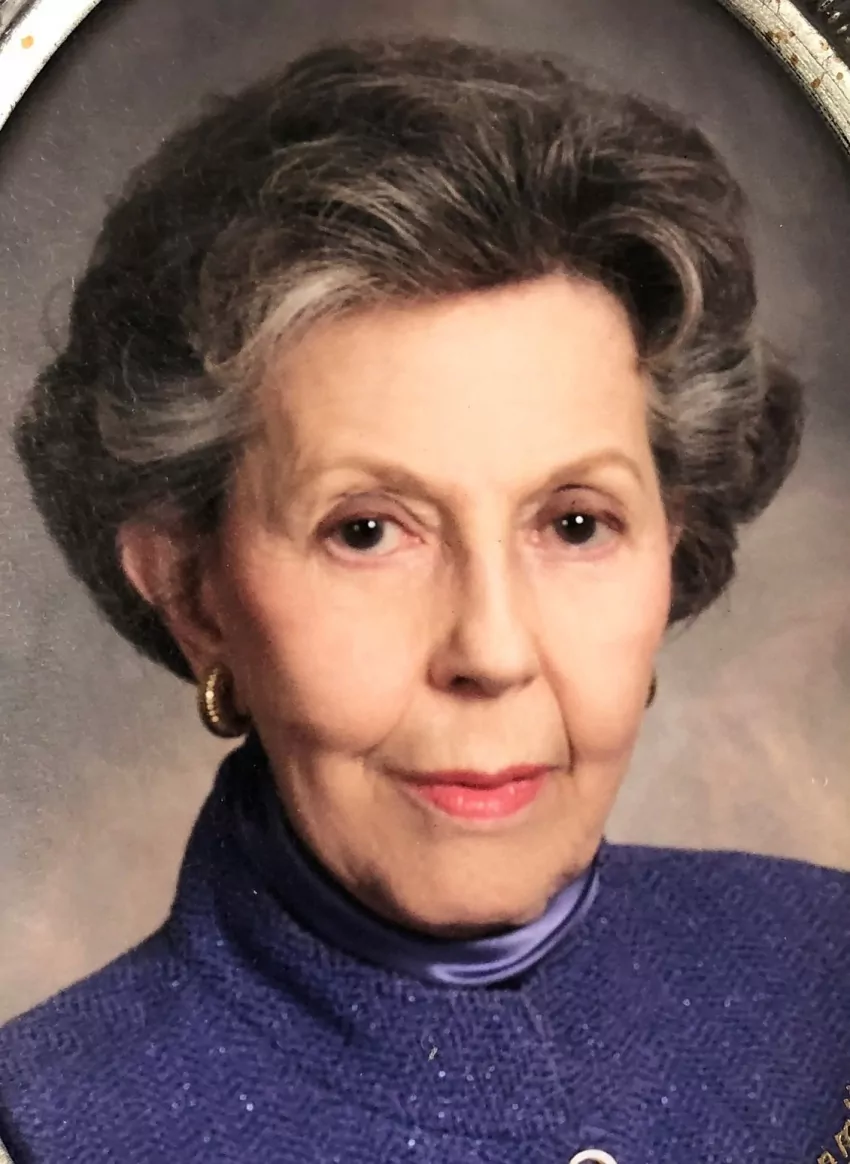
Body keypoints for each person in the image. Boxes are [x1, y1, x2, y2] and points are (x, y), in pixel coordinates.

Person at [0, 33, 846, 1164]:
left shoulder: (826, 970)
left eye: (576, 524)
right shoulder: (50, 1122)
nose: (491, 651)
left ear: (671, 544)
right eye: (366, 531)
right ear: (192, 593)